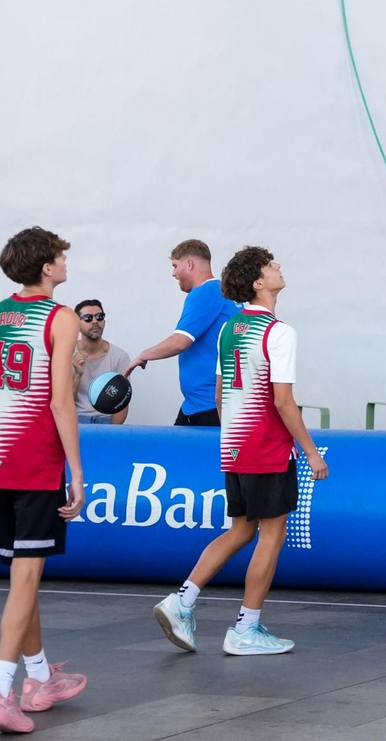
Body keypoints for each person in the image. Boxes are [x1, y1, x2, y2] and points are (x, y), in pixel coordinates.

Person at [153, 246, 330, 656]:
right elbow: (283, 402)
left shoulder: (229, 329)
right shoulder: (279, 332)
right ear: (257, 281)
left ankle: (181, 601)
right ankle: (245, 628)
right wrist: (310, 453)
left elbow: (218, 395)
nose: (279, 267)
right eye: (271, 266)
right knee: (272, 533)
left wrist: (236, 434)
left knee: (240, 530)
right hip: (266, 449)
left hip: (233, 447)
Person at [0, 227, 87, 732]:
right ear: (46, 267)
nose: (65, 262)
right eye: (60, 256)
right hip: (36, 462)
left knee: (22, 578)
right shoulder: (62, 318)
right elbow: (61, 402)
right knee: (26, 580)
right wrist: (76, 472)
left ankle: (38, 678)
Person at [126, 240, 239, 426]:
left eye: (175, 266)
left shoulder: (205, 292)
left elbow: (180, 341)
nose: (173, 274)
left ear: (189, 264)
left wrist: (143, 355)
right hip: (198, 404)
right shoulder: (223, 292)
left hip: (209, 406)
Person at [72, 300, 131, 426]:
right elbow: (64, 402)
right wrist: (77, 375)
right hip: (75, 419)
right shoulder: (68, 354)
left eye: (100, 317)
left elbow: (122, 400)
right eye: (88, 318)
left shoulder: (120, 356)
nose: (95, 321)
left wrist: (111, 433)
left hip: (107, 420)